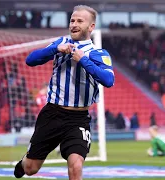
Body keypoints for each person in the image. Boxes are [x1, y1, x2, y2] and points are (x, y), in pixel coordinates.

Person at [14, 5, 115, 179]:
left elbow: (108, 80)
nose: (74, 24)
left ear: (91, 27)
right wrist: (54, 49)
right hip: (52, 114)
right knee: (31, 168)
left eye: (80, 21)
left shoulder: (99, 53)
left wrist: (83, 60)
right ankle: (24, 162)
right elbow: (30, 60)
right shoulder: (60, 43)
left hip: (78, 119)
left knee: (76, 166)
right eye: (72, 20)